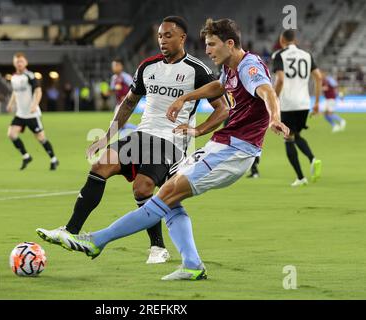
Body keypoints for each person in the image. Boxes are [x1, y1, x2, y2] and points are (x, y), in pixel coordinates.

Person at [36, 18, 289, 280]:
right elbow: (218, 87)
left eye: (212, 45)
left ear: (230, 43)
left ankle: (96, 241)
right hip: (219, 144)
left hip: (234, 151)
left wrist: (275, 118)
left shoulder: (249, 65)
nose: (209, 50)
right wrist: (186, 98)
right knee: (170, 198)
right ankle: (191, 265)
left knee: (161, 194)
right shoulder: (228, 68)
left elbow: (267, 91)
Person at [272, 29, 322, 187]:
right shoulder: (307, 55)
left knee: (288, 138)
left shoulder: (279, 55)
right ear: (295, 40)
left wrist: (273, 99)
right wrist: (317, 102)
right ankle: (313, 159)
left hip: (287, 104)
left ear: (282, 40)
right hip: (303, 103)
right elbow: (319, 77)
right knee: (295, 134)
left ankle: (301, 178)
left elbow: (279, 79)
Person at [6, 52, 59, 170]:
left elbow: (38, 91)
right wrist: (10, 104)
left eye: (21, 61)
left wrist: (35, 105)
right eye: (17, 61)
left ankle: (53, 159)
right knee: (11, 134)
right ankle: (26, 156)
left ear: (26, 62)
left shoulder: (30, 76)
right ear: (14, 63)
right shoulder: (14, 77)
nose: (19, 63)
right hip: (20, 114)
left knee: (40, 138)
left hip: (32, 114)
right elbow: (15, 92)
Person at [110, 58, 136, 133]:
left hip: (126, 104)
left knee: (118, 125)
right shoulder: (114, 78)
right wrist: (108, 93)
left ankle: (139, 131)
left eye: (117, 65)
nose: (115, 67)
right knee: (118, 125)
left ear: (121, 66)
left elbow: (133, 88)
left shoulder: (126, 77)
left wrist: (127, 97)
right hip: (118, 104)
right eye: (114, 66)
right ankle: (137, 131)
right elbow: (113, 90)